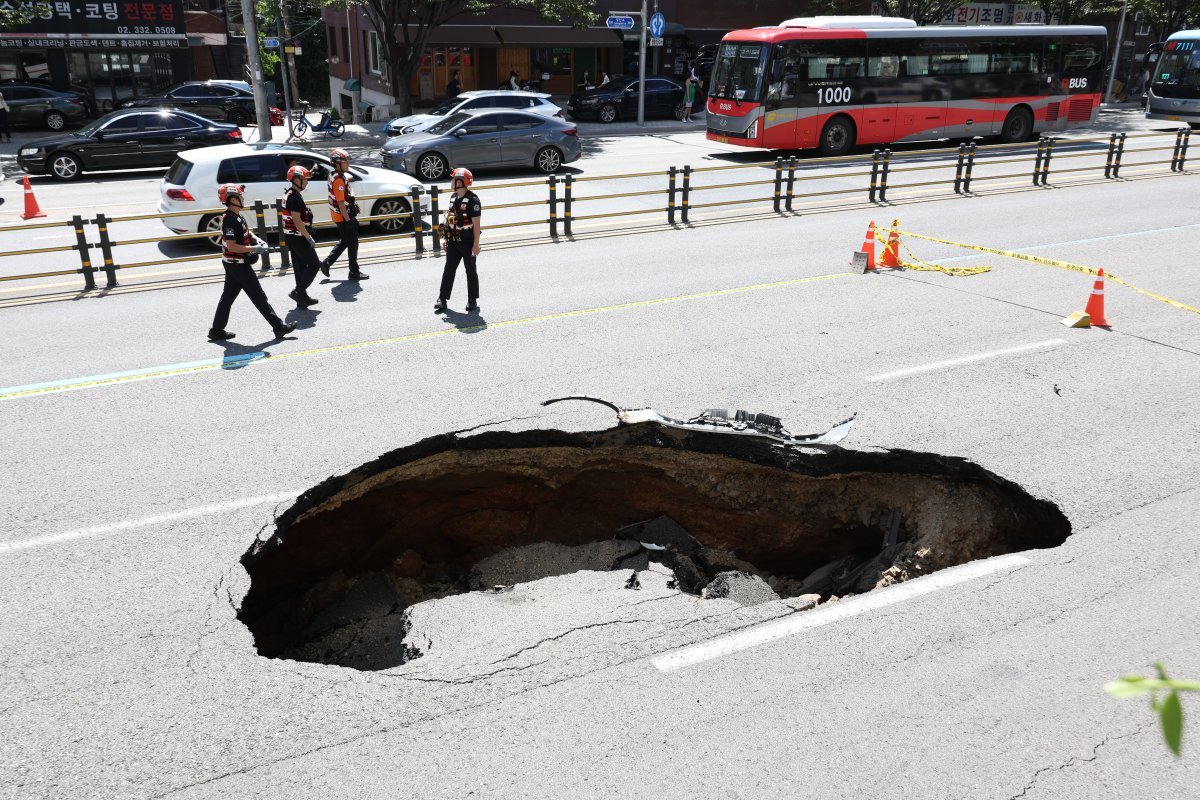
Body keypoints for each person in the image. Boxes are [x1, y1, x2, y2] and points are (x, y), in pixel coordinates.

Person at [208, 184, 296, 341]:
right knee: (258, 296)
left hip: (232, 263)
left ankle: (216, 330)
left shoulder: (236, 215)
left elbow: (246, 232)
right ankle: (278, 327)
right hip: (237, 264)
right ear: (233, 199)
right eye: (240, 196)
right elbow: (232, 245)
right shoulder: (230, 220)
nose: (243, 198)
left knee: (227, 297)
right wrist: (253, 249)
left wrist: (257, 240)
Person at [434, 167, 481, 315]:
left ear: (460, 182)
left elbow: (477, 225)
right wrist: (445, 238)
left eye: (453, 179)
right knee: (448, 270)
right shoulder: (453, 197)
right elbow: (449, 218)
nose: (451, 181)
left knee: (470, 271)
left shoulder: (473, 200)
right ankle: (442, 299)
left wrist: (476, 245)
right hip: (454, 241)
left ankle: (472, 299)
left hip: (467, 242)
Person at [320, 148, 369, 281]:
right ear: (337, 164)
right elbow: (341, 203)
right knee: (353, 244)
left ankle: (327, 263)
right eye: (345, 162)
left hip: (341, 216)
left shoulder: (336, 175)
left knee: (346, 241)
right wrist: (348, 221)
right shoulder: (338, 180)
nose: (348, 164)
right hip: (343, 217)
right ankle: (354, 272)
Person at [281, 164, 322, 307]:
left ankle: (302, 298)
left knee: (300, 267)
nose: (307, 182)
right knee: (314, 264)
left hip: (291, 237)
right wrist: (308, 237)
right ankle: (298, 291)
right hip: (298, 237)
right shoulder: (295, 198)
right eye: (305, 179)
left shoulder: (290, 194)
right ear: (296, 180)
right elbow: (297, 220)